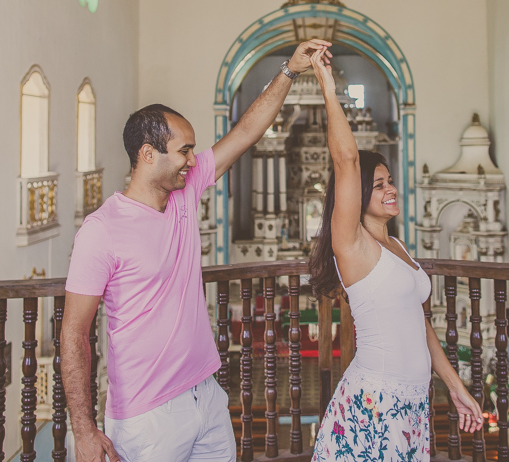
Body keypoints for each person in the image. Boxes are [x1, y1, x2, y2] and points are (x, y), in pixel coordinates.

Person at [62, 39, 331, 462]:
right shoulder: (102, 230)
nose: (192, 160)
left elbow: (246, 132)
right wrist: (83, 430)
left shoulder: (184, 192)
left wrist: (290, 71)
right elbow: (74, 333)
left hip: (205, 394)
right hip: (148, 415)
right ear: (147, 154)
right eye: (183, 151)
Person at [306, 48, 482, 461]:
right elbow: (346, 160)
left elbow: (419, 324)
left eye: (390, 180)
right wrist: (328, 86)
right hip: (375, 400)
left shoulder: (397, 246)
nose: (390, 189)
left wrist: (455, 387)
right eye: (378, 185)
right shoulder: (353, 246)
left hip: (412, 401)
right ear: (356, 197)